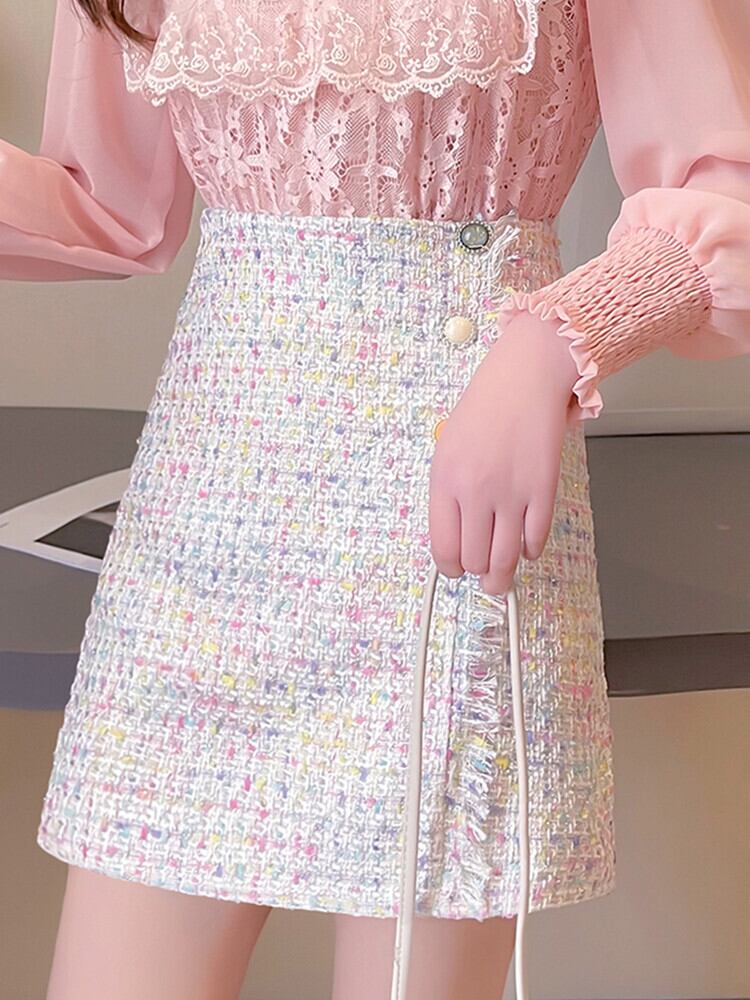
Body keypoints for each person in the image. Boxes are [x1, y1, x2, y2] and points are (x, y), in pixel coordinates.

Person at [1, 1, 749, 997]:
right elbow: (107, 204)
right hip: (201, 541)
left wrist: (553, 343)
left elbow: (726, 188)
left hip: (453, 530)